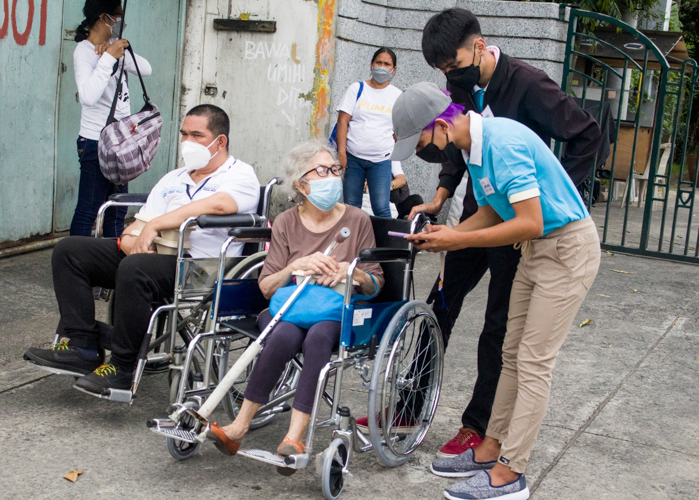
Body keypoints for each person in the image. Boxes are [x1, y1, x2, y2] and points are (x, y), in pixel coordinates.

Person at [394, 8, 601, 458]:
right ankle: (409, 405)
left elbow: (588, 134)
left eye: (453, 66)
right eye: (444, 72)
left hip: (522, 226)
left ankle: (478, 426)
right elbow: (453, 142)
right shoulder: (459, 90)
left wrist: (552, 196)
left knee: (499, 329)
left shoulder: (528, 84)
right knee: (440, 304)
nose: (452, 77)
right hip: (482, 212)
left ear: (479, 46)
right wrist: (442, 195)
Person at [23, 105, 260, 394]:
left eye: (197, 135)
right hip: (157, 258)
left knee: (136, 269)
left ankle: (122, 367)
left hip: (202, 267)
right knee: (70, 251)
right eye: (184, 134)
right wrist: (131, 240)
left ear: (220, 141)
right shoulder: (174, 179)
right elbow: (137, 226)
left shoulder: (239, 175)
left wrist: (158, 224)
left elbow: (219, 205)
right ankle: (81, 345)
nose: (188, 141)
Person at [204, 141, 383, 473]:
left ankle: (294, 438)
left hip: (332, 311)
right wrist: (296, 265)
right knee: (284, 334)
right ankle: (238, 428)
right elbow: (266, 285)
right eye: (323, 171)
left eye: (335, 169)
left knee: (317, 339)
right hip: (287, 309)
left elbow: (375, 284)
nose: (333, 176)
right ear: (302, 184)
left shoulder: (357, 220)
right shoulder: (286, 221)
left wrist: (351, 271)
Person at [70, 0, 152, 238]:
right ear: (103, 18)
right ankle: (77, 266)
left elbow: (146, 69)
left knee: (117, 209)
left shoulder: (114, 49)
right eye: (117, 17)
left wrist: (118, 52)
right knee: (89, 209)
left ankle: (110, 266)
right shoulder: (84, 52)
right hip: (96, 142)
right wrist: (107, 59)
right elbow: (88, 96)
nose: (120, 23)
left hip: (121, 143)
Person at [336, 47, 402, 218]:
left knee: (381, 208)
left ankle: (385, 244)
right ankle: (352, 244)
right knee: (351, 208)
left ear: (393, 70)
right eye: (378, 62)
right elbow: (343, 121)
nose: (382, 67)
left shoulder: (397, 96)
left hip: (381, 161)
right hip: (353, 160)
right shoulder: (357, 89)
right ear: (371, 65)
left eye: (387, 64)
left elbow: (400, 129)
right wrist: (341, 153)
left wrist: (387, 146)